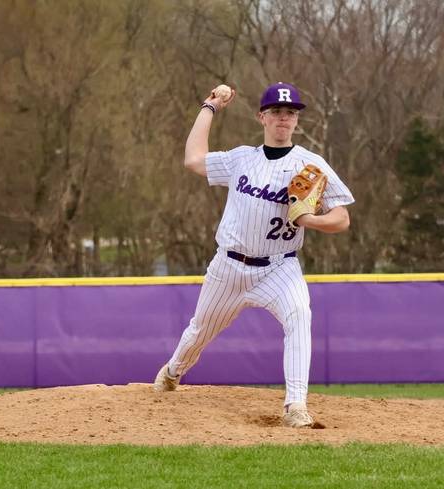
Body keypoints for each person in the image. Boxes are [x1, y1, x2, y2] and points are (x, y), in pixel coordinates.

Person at [152, 82, 355, 427]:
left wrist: (312, 220)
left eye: (290, 113)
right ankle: (172, 373)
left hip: (279, 267)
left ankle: (296, 406)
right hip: (229, 267)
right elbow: (192, 160)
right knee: (199, 331)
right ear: (262, 117)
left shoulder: (311, 165)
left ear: (296, 121)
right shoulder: (241, 159)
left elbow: (342, 217)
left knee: (299, 317)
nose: (283, 118)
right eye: (276, 111)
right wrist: (209, 107)